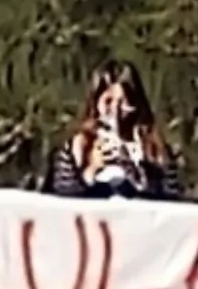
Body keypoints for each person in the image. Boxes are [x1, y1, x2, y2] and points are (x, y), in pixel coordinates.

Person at [44, 60, 182, 201]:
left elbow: (171, 203)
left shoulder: (156, 149)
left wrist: (136, 169)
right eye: (108, 101)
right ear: (96, 101)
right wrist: (91, 169)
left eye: (124, 101)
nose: (115, 110)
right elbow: (61, 201)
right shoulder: (76, 146)